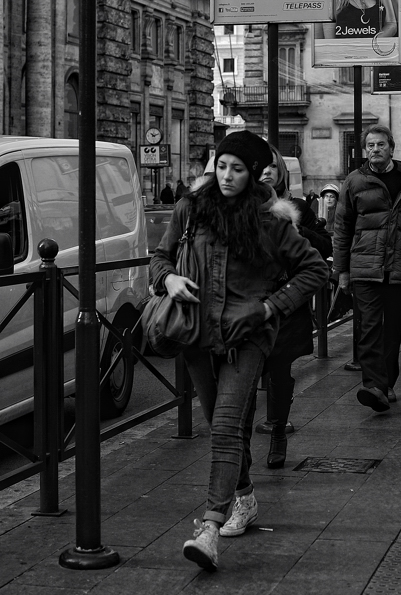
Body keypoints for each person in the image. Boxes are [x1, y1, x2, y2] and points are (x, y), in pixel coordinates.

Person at [150, 131, 328, 572]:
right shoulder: (190, 209)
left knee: (228, 426)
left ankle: (210, 529)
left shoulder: (271, 222)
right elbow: (159, 257)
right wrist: (169, 279)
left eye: (238, 169)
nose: (227, 176)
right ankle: (244, 497)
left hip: (246, 338)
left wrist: (268, 307)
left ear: (254, 174)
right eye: (222, 166)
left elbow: (314, 270)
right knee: (220, 426)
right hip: (195, 334)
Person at [334, 124, 401, 412]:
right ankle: (374, 385)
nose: (375, 150)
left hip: (400, 264)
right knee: (369, 326)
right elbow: (342, 228)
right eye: (370, 145)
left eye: (380, 144)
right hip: (364, 266)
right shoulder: (355, 181)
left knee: (393, 328)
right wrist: (342, 270)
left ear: (392, 148)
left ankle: (387, 383)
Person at [256, 146, 332, 467]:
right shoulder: (239, 208)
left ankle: (278, 432)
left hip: (283, 303)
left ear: (282, 173)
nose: (267, 172)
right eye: (261, 166)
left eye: (273, 167)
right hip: (248, 303)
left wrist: (297, 231)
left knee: (279, 371)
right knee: (243, 375)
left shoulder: (296, 208)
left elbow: (324, 246)